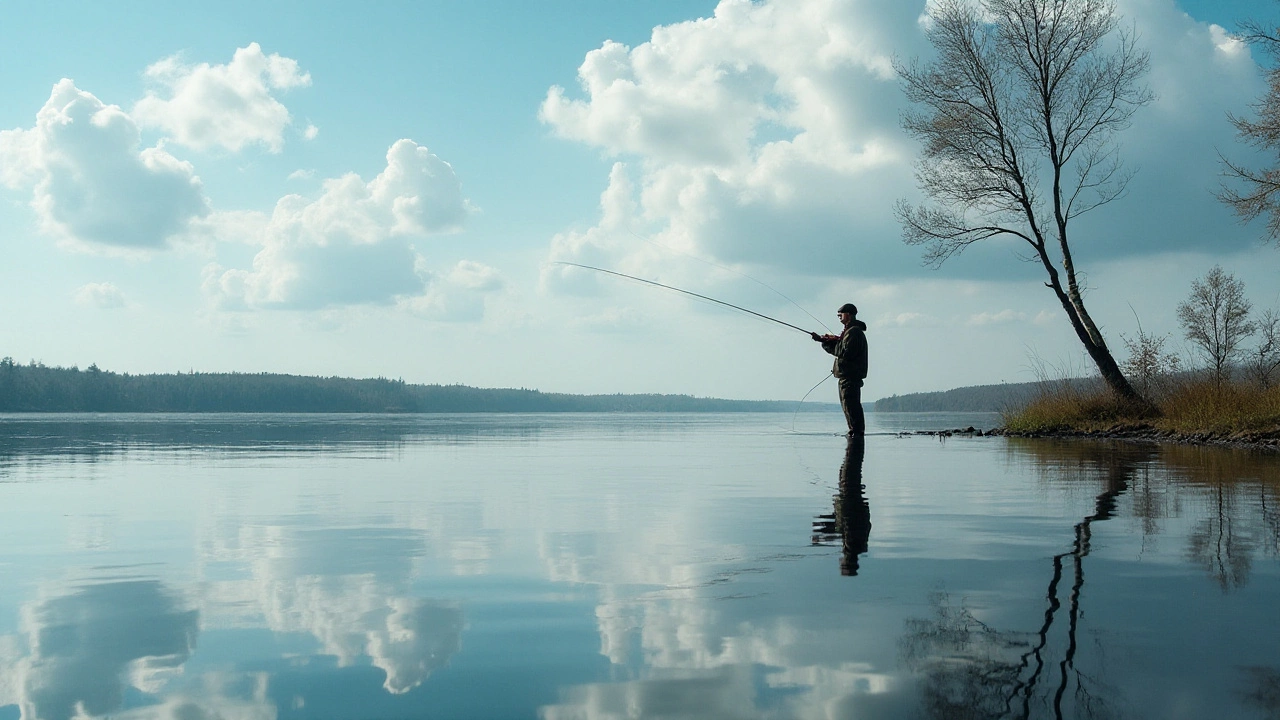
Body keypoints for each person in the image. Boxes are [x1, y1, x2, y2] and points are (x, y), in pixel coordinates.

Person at [811, 303, 868, 436]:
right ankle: (854, 433)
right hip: (848, 376)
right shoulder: (851, 331)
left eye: (840, 315)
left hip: (850, 376)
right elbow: (842, 345)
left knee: (851, 406)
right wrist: (825, 340)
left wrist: (825, 344)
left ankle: (857, 433)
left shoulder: (853, 332)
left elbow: (844, 352)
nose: (839, 318)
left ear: (848, 314)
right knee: (848, 406)